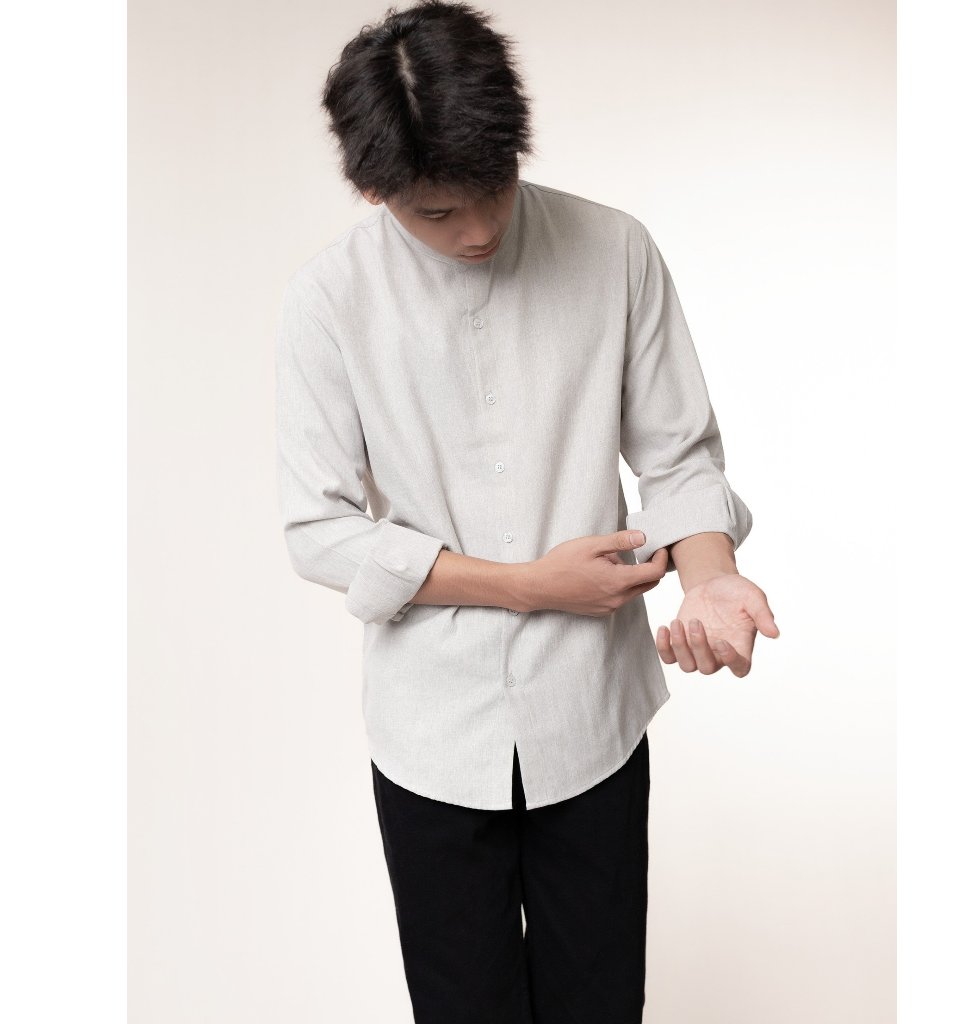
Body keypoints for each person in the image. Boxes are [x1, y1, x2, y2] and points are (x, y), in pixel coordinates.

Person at [274, 2, 780, 1021]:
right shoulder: (329, 300)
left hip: (592, 714)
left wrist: (712, 578)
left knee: (601, 1005)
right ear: (372, 187)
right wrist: (524, 586)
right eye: (436, 213)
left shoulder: (614, 249)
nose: (479, 230)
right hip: (430, 734)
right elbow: (319, 530)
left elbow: (678, 454)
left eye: (494, 188)